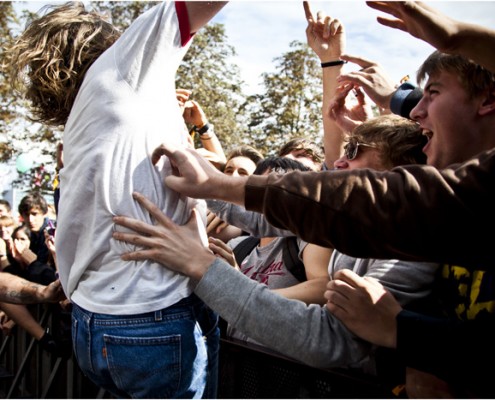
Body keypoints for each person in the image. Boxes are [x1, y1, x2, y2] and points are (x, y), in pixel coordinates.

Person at [8, 1, 227, 398]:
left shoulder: (84, 117)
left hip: (95, 321)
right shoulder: (119, 64)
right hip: (151, 318)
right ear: (99, 42)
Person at [207, 144, 263, 241]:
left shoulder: (260, 226)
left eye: (242, 173)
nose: (234, 176)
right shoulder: (201, 200)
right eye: (229, 170)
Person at [17, 192, 53, 264]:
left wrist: (25, 253)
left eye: (34, 214)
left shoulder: (52, 232)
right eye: (26, 215)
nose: (30, 219)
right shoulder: (30, 233)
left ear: (44, 213)